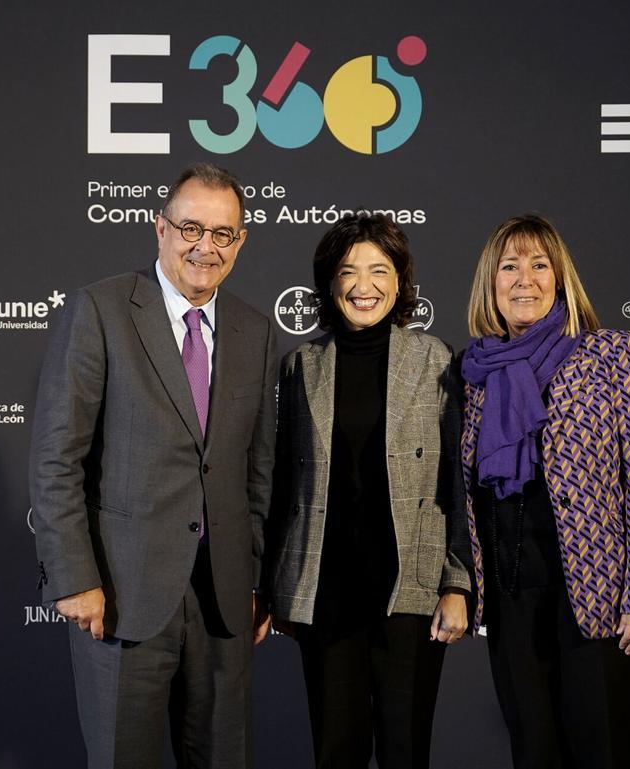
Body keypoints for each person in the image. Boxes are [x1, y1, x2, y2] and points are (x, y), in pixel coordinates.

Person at [29, 162, 276, 769]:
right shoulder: (101, 310)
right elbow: (58, 457)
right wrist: (74, 576)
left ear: (240, 242)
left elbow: (259, 472)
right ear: (159, 228)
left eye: (223, 234)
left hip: (223, 605)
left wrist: (256, 581)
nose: (205, 246)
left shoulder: (255, 331)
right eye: (192, 227)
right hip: (120, 596)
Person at [459, 214, 630, 769]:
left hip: (599, 597)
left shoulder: (609, 354)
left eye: (539, 264)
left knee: (604, 751)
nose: (524, 278)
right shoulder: (472, 372)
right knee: (534, 753)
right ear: (491, 281)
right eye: (510, 266)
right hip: (511, 598)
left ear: (561, 279)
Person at [266, 212, 471, 769]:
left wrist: (458, 582)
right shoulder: (300, 367)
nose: (364, 286)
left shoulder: (435, 361)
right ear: (329, 284)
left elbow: (458, 480)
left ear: (401, 281)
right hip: (326, 590)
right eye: (348, 271)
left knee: (406, 751)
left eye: (379, 270)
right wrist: (272, 584)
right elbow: (284, 484)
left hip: (412, 588)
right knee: (337, 751)